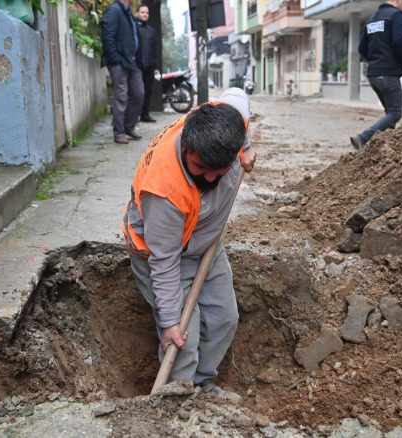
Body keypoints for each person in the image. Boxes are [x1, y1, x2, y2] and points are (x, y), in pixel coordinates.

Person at [122, 88, 256, 390]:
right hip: (164, 253)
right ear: (187, 147)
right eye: (199, 168)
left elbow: (237, 98)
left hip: (205, 242)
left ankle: (202, 385)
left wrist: (246, 147)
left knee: (224, 318)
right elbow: (165, 261)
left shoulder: (228, 121)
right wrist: (169, 322)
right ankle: (176, 399)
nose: (208, 179)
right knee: (184, 337)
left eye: (217, 171)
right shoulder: (164, 192)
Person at [351, 0, 402, 149]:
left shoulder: (371, 20)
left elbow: (362, 48)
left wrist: (374, 61)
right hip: (388, 73)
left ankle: (387, 146)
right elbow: (398, 41)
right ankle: (363, 138)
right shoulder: (396, 15)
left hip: (373, 74)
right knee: (395, 113)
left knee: (389, 113)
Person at [101, 0, 144, 144]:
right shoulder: (114, 10)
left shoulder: (128, 12)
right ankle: (119, 132)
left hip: (132, 61)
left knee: (138, 94)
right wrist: (115, 60)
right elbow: (107, 36)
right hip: (119, 61)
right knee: (121, 96)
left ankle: (128, 126)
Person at [136, 4, 161, 123]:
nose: (145, 14)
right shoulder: (134, 29)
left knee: (148, 90)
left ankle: (145, 114)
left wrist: (156, 67)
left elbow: (155, 49)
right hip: (137, 66)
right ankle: (134, 115)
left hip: (149, 66)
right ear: (137, 13)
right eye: (142, 12)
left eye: (147, 12)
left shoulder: (151, 31)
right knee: (136, 91)